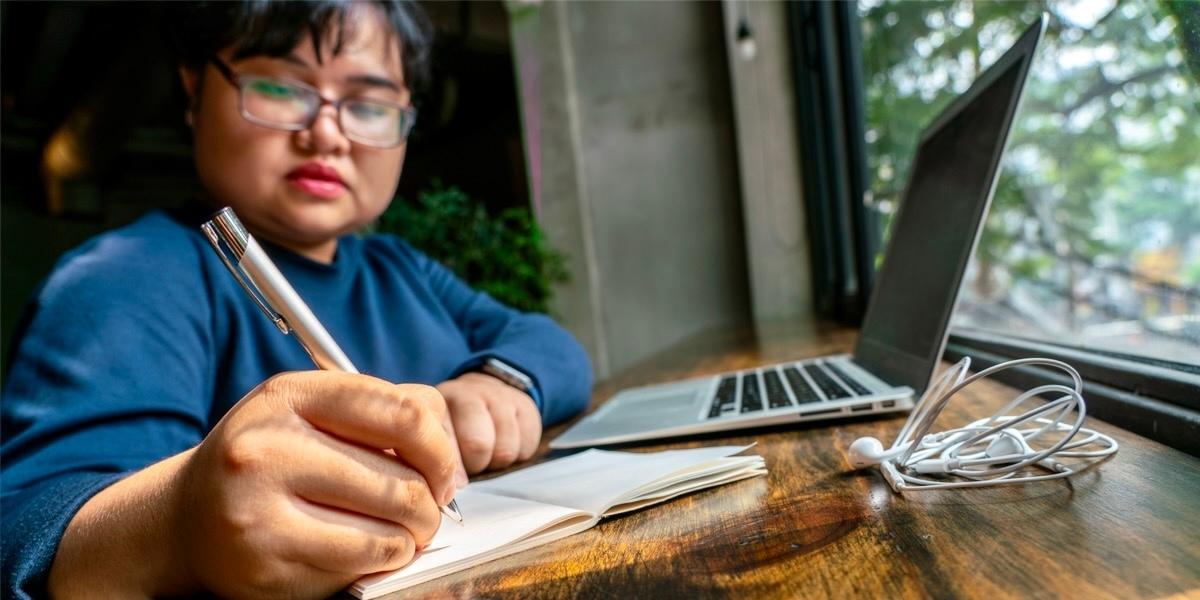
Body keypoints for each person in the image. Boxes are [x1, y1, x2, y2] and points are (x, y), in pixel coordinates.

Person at [0, 1, 592, 598]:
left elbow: (551, 345)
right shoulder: (123, 280)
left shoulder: (401, 268)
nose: (327, 135)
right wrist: (178, 527)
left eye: (369, 104)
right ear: (193, 90)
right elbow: (24, 531)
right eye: (280, 89)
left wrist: (500, 381)